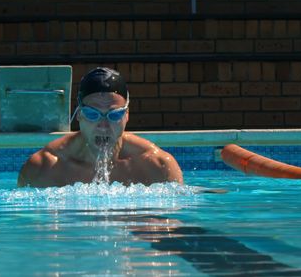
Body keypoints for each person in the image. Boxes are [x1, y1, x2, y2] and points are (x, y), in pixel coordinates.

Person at [17, 67, 184, 188]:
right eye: (92, 114)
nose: (103, 125)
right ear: (79, 114)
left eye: (114, 115)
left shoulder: (157, 166)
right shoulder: (43, 167)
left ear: (126, 115)